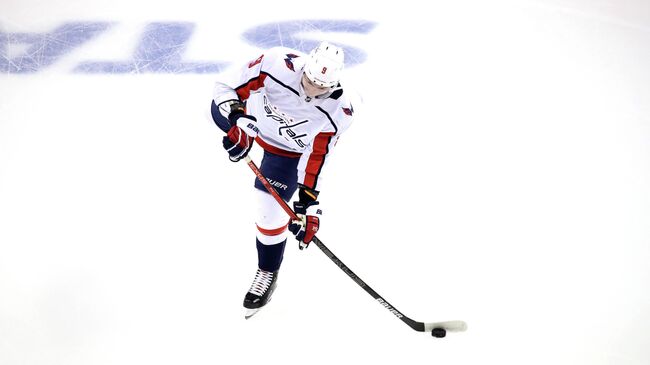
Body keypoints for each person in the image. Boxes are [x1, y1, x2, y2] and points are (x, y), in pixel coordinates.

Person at [210, 41, 355, 318]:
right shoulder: (276, 63)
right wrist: (238, 119)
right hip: (250, 123)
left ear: (335, 84)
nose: (312, 90)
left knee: (269, 215)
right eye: (310, 81)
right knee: (211, 111)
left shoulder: (343, 109)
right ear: (305, 68)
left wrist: (308, 202)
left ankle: (267, 271)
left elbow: (318, 155)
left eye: (321, 88)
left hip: (286, 151)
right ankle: (242, 129)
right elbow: (224, 88)